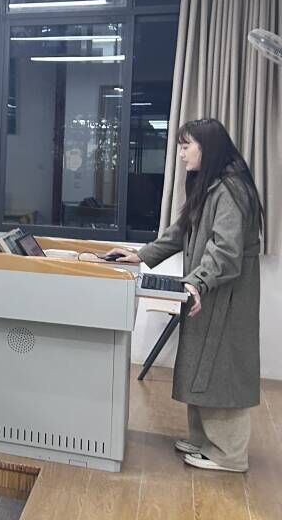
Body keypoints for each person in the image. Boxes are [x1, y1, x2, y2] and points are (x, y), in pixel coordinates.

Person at [107, 119, 263, 473]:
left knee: (221, 370)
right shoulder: (211, 185)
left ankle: (229, 455)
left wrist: (198, 282)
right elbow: (182, 231)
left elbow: (225, 249)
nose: (180, 154)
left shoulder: (231, 190)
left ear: (208, 148)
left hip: (226, 298)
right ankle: (205, 440)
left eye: (185, 146)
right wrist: (141, 255)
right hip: (208, 292)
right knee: (200, 365)